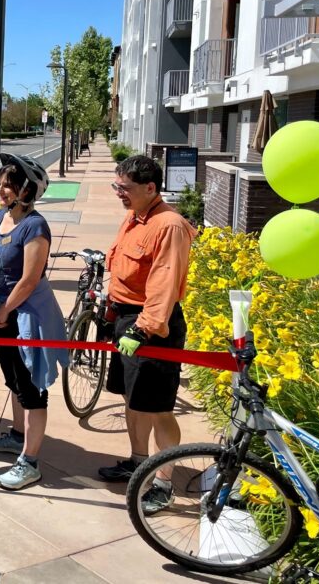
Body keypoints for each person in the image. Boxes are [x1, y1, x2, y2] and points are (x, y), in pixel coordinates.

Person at [96, 155, 196, 513]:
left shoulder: (169, 225)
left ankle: (164, 483)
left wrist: (144, 328)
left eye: (125, 188)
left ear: (150, 187)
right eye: (117, 186)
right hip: (126, 319)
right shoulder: (134, 216)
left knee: (158, 409)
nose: (119, 193)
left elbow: (164, 282)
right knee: (132, 399)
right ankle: (138, 464)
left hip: (152, 326)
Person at [0, 154, 68, 490]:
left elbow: (30, 279)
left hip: (28, 314)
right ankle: (18, 436)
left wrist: (6, 310)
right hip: (0, 311)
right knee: (13, 379)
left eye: (9, 185)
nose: (1, 190)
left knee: (33, 389)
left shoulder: (35, 226)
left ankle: (30, 462)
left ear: (27, 190)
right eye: (0, 183)